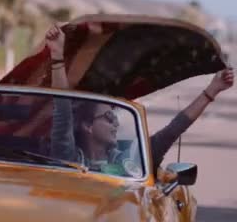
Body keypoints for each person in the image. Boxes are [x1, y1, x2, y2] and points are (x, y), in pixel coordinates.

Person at [46, 25, 234, 173]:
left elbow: (173, 130)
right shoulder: (68, 157)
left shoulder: (135, 159)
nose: (115, 124)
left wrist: (212, 90)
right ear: (87, 126)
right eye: (109, 118)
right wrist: (56, 55)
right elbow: (62, 107)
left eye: (115, 117)